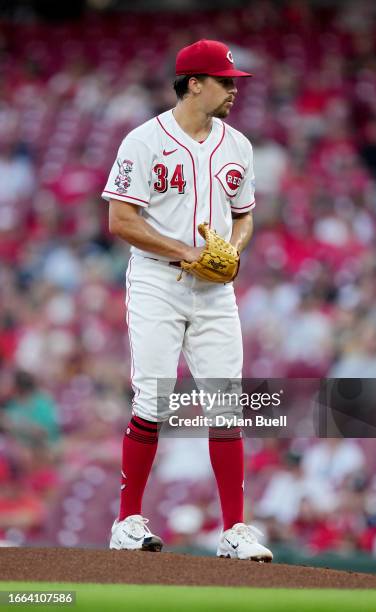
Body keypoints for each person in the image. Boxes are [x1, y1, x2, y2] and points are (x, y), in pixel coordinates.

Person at [102, 39, 272, 562]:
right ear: (193, 83)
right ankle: (127, 522)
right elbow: (120, 220)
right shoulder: (144, 141)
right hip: (157, 280)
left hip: (215, 287)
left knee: (227, 404)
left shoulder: (237, 145)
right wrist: (185, 251)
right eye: (225, 81)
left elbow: (243, 216)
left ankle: (234, 531)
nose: (233, 90)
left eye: (235, 82)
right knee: (153, 399)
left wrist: (232, 250)